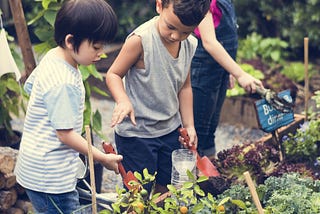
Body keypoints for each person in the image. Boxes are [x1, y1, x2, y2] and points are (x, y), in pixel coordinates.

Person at [14, 0, 123, 213]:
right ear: (71, 41)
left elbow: (30, 87)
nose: (101, 54)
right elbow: (65, 135)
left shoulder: (53, 57)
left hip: (40, 169)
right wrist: (101, 158)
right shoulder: (63, 81)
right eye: (96, 47)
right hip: (51, 180)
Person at [106, 0, 210, 194]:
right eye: (170, 27)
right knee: (138, 194)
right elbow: (113, 74)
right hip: (137, 135)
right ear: (160, 5)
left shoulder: (190, 44)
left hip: (170, 130)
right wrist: (123, 100)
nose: (176, 36)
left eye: (185, 32)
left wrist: (189, 125)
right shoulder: (141, 40)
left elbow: (185, 87)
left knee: (168, 187)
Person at [191, 0, 264, 158]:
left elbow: (225, 37)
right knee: (200, 130)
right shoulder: (203, 2)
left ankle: (210, 175)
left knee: (211, 127)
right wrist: (241, 74)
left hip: (218, 68)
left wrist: (228, 70)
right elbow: (209, 42)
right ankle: (194, 176)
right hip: (203, 69)